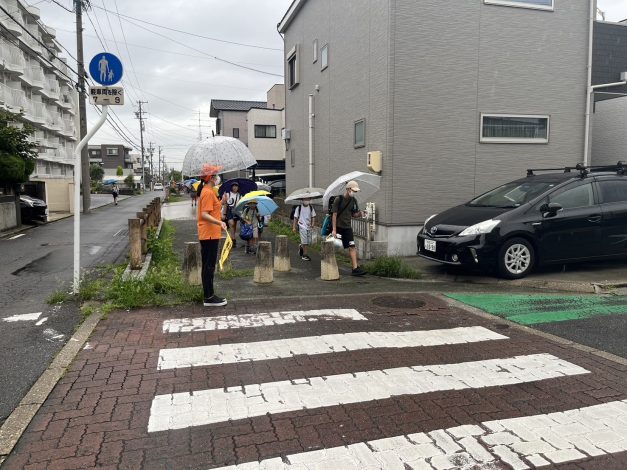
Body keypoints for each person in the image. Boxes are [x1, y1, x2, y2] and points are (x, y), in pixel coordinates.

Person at [197, 164, 228, 307]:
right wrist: (219, 223)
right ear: (210, 178)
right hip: (209, 234)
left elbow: (212, 209)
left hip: (211, 233)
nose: (217, 177)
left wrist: (222, 203)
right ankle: (209, 297)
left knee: (209, 265)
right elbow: (204, 214)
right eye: (215, 175)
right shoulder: (208, 192)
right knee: (209, 266)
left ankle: (209, 295)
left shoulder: (209, 191)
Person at [332, 180, 366, 276]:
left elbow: (354, 214)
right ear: (348, 189)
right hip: (338, 227)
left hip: (347, 227)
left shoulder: (353, 200)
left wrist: (360, 214)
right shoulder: (338, 199)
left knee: (352, 246)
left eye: (355, 191)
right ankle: (330, 264)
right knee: (334, 246)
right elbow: (334, 215)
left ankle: (355, 268)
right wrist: (334, 229)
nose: (354, 192)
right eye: (353, 190)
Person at [221, 182, 241, 247]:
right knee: (231, 223)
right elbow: (225, 204)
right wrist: (224, 213)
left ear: (238, 187)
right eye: (233, 186)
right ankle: (232, 239)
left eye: (236, 186)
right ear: (231, 187)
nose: (235, 187)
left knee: (234, 225)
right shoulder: (228, 194)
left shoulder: (240, 195)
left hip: (236, 211)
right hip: (229, 210)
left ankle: (233, 239)